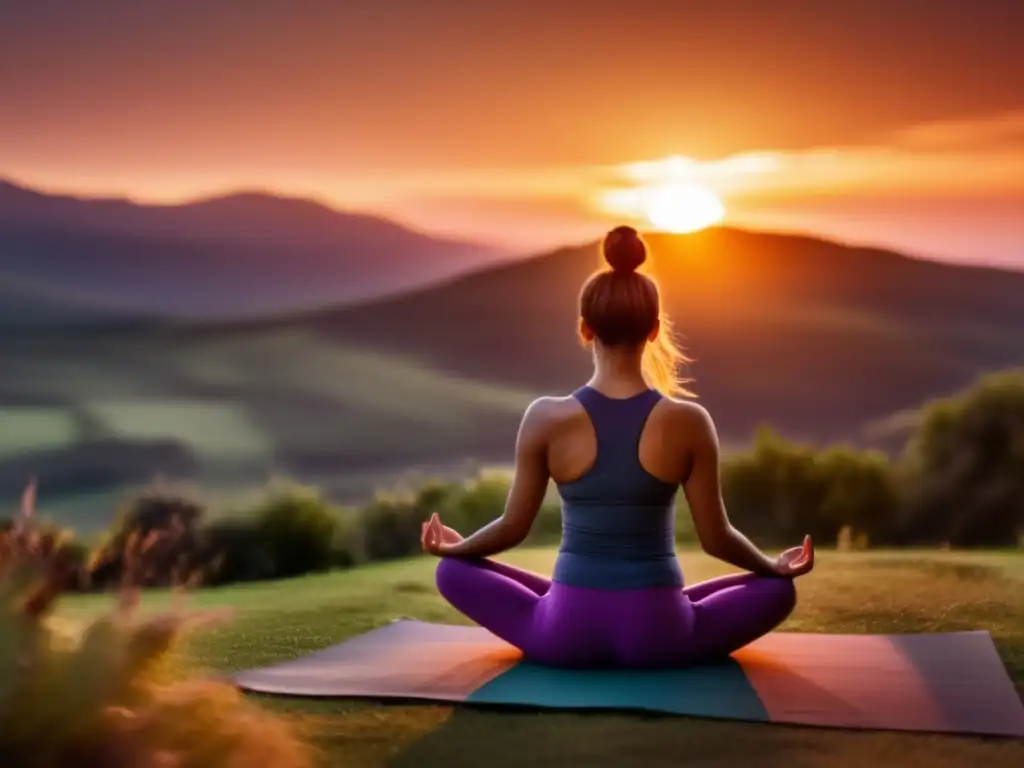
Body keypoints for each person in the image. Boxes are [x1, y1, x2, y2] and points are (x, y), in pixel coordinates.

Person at [420, 225, 814, 669]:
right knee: (776, 589)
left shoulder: (546, 418)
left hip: (566, 631)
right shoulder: (689, 421)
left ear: (586, 330)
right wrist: (772, 567)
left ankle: (550, 599)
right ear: (653, 330)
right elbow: (716, 539)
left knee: (452, 572)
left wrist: (456, 549)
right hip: (660, 633)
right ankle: (697, 603)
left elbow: (512, 528)